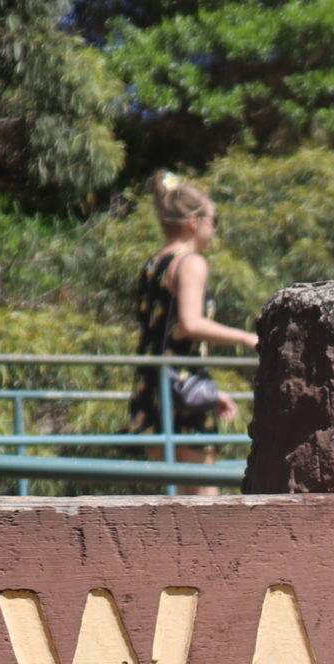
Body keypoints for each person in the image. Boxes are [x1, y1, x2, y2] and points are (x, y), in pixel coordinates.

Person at [129, 172, 257, 496]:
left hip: (152, 386)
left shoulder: (153, 263)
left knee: (170, 501)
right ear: (193, 222)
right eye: (214, 220)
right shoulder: (191, 263)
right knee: (203, 502)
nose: (214, 229)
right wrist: (247, 339)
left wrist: (209, 393)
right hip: (181, 390)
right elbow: (190, 324)